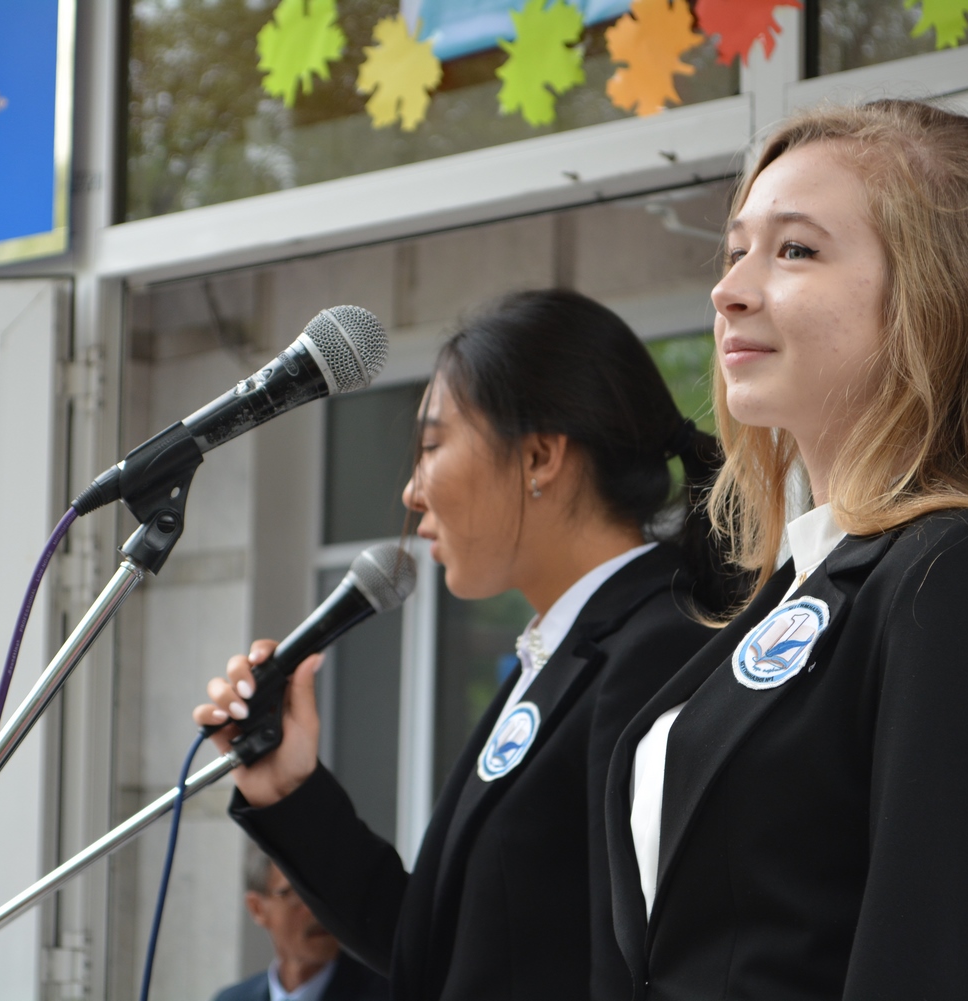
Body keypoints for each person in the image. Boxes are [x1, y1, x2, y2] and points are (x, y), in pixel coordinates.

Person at [606, 98, 968, 1001]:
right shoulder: (807, 580)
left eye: (796, 249)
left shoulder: (966, 570)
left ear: (936, 299)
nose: (728, 287)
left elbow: (933, 964)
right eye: (737, 248)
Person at [194, 289, 740, 1001]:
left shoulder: (656, 651)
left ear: (540, 455)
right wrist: (290, 790)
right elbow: (435, 950)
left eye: (430, 445)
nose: (412, 492)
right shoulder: (560, 653)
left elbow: (643, 969)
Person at [212, 843, 389, 1001]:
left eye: (327, 892)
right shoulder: (231, 998)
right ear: (257, 908)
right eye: (297, 894)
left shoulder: (389, 995)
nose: (319, 910)